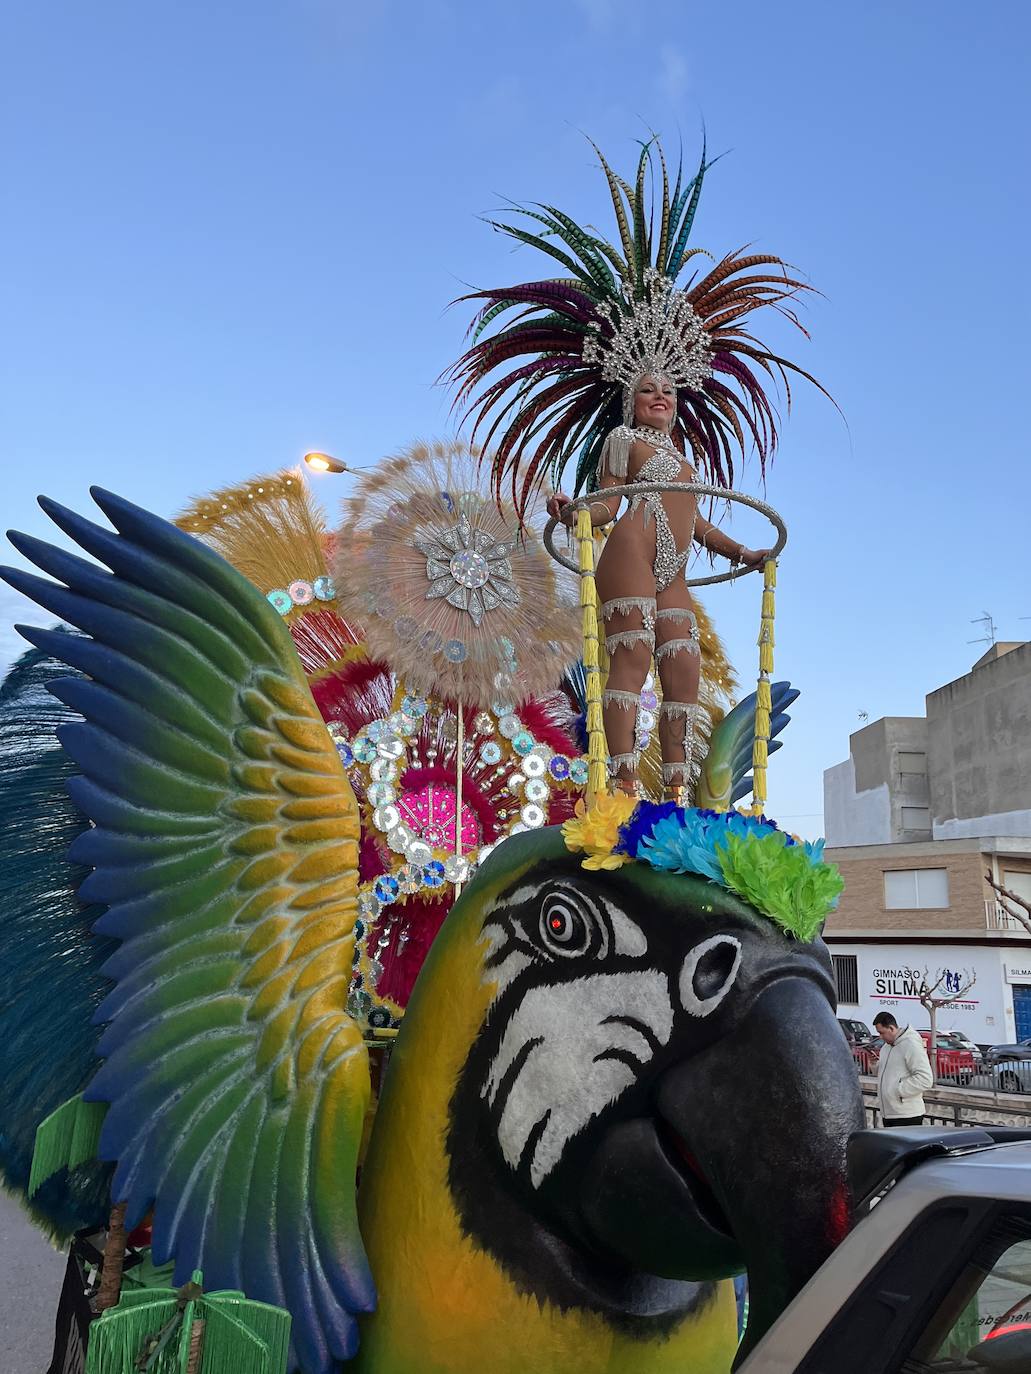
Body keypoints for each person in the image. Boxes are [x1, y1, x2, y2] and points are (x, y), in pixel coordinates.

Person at [445, 136, 827, 803]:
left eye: (668, 391)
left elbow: (696, 520)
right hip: (628, 552)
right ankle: (622, 779)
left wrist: (744, 551)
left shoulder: (683, 458)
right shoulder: (622, 441)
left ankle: (674, 789)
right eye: (648, 390)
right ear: (630, 397)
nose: (659, 397)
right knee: (632, 658)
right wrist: (571, 514)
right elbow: (607, 504)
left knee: (682, 671)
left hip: (674, 564)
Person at [873, 1012, 934, 1127]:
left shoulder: (910, 1044)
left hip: (907, 1115)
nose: (880, 1037)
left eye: (882, 1032)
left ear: (891, 1028)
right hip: (889, 1113)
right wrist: (874, 1064)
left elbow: (925, 1078)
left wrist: (898, 1090)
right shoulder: (886, 1047)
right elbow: (885, 1074)